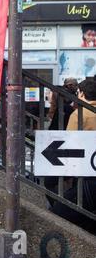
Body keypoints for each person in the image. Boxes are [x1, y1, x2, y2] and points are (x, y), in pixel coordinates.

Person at [49, 80, 96, 235]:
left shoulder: (80, 114)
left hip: (85, 175)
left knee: (59, 211)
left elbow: (69, 144)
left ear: (81, 93)